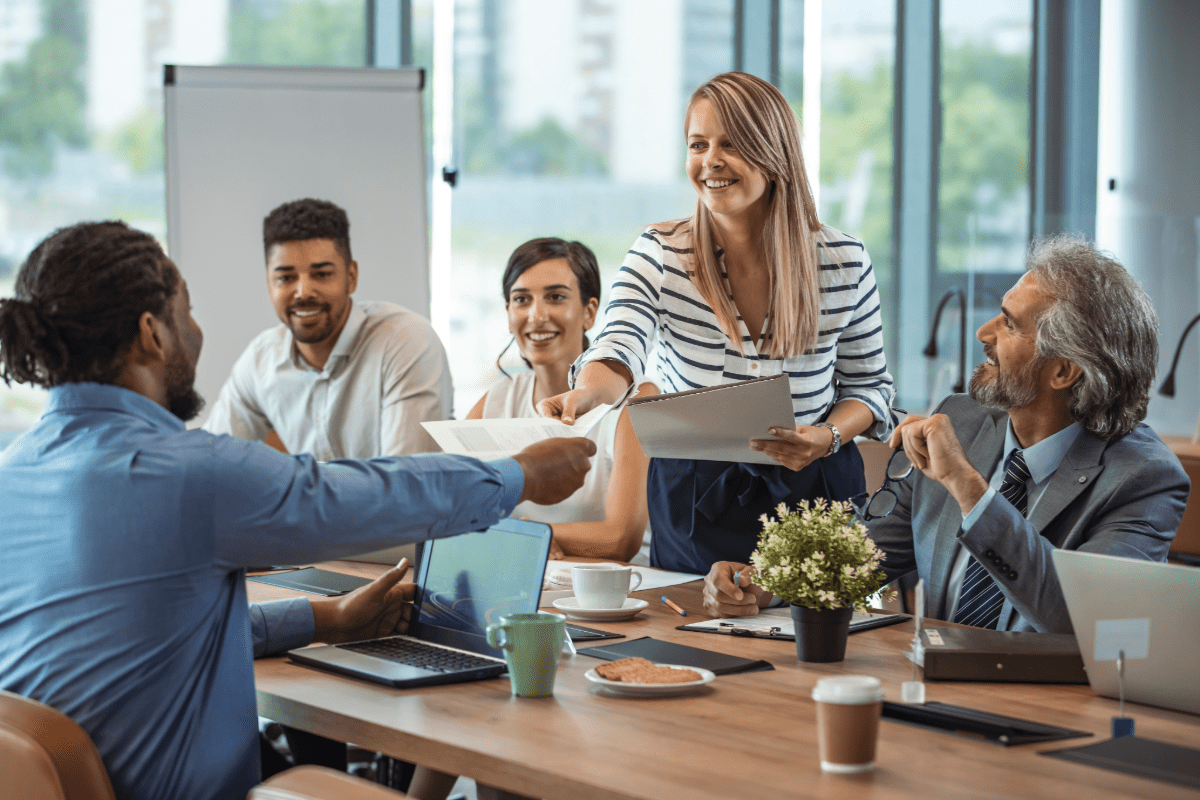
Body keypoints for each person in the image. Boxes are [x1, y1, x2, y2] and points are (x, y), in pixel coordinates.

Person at [0, 221, 595, 800]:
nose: (198, 333)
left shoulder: (13, 470)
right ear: (152, 333)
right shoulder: (186, 474)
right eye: (189, 311)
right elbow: (363, 494)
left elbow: (151, 632)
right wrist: (522, 473)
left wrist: (321, 620)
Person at [703, 234, 1189, 634]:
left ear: (1063, 371)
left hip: (1052, 718)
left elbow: (1088, 622)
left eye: (1009, 325)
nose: (983, 332)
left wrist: (969, 489)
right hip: (933, 694)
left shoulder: (1143, 479)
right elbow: (865, 551)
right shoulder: (965, 419)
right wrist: (763, 579)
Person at [539, 72, 895, 575]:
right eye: (698, 144)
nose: (710, 162)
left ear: (773, 153)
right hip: (695, 493)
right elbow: (620, 340)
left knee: (809, 645)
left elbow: (869, 387)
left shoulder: (842, 261)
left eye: (731, 144)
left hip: (812, 486)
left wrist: (827, 437)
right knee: (691, 638)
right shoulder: (661, 252)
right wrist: (586, 395)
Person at [203, 198, 452, 458]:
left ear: (351, 277)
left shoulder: (406, 342)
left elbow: (407, 481)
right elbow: (210, 460)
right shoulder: (260, 360)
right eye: (285, 278)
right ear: (269, 285)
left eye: (321, 274)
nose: (303, 292)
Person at [466, 237, 659, 561]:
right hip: (525, 582)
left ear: (589, 312)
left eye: (556, 297)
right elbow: (451, 503)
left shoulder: (637, 400)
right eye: (521, 299)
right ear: (508, 313)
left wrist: (528, 535)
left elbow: (619, 538)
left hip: (618, 595)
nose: (537, 315)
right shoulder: (497, 400)